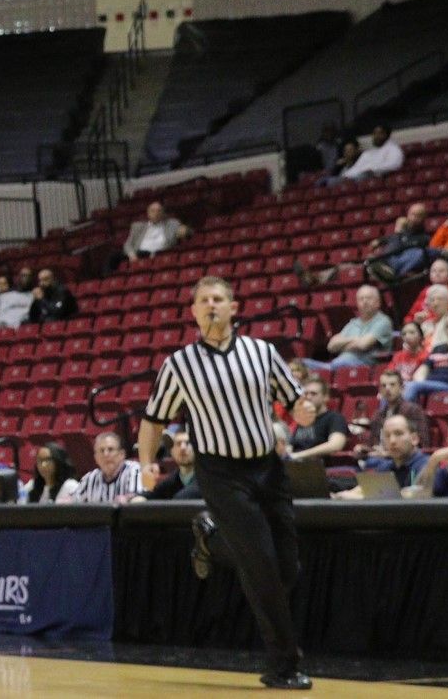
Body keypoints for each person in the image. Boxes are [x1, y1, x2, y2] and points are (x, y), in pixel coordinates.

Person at [139, 276, 311, 690]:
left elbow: (294, 398)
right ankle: (284, 664)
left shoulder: (262, 352)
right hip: (220, 473)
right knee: (263, 565)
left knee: (287, 565)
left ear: (234, 308)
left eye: (219, 298)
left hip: (268, 469)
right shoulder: (179, 364)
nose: (212, 305)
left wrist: (303, 412)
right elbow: (153, 419)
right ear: (194, 312)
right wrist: (146, 462)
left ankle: (211, 539)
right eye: (204, 301)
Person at [303, 285, 394, 373]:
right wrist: (355, 340)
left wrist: (343, 346)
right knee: (301, 364)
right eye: (361, 299)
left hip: (365, 368)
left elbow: (363, 345)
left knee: (339, 364)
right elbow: (331, 346)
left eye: (368, 298)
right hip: (338, 365)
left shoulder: (383, 321)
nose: (365, 301)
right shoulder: (353, 323)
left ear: (378, 302)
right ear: (357, 303)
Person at [338, 414, 428, 497]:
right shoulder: (385, 467)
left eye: (398, 434)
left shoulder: (426, 465)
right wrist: (340, 496)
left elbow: (412, 496)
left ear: (414, 439)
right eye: (387, 435)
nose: (392, 441)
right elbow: (363, 490)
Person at [351, 368, 433, 453]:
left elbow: (422, 445)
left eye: (392, 384)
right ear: (380, 390)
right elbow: (373, 445)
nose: (387, 388)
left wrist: (388, 454)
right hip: (378, 459)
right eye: (384, 385)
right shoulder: (378, 415)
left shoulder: (414, 411)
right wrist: (364, 449)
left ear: (402, 388)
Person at [285, 378, 350, 462]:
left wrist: (299, 455)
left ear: (325, 397)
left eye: (313, 394)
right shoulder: (303, 419)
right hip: (296, 464)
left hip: (319, 466)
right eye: (306, 394)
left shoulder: (334, 417)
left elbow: (336, 444)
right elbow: (290, 446)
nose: (308, 397)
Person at [70, 432, 142, 503]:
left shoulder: (134, 470)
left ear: (122, 454)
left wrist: (127, 499)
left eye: (110, 449)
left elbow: (138, 498)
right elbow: (74, 502)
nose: (106, 454)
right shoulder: (90, 478)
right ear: (96, 458)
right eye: (101, 451)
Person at [136, 428, 203, 501]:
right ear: (171, 452)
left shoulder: (206, 477)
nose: (183, 448)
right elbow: (151, 494)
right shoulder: (173, 479)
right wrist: (137, 499)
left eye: (188, 443)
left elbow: (183, 498)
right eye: (178, 444)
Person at [322, 125, 403, 185]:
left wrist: (372, 170)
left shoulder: (393, 149)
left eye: (379, 133)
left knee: (332, 182)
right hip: (356, 176)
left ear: (386, 135)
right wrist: (346, 176)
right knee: (324, 181)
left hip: (372, 176)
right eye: (374, 134)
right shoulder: (368, 153)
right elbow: (357, 168)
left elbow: (394, 164)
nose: (376, 136)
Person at [120, 201, 188, 265]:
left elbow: (187, 232)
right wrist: (132, 255)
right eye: (153, 211)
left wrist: (185, 230)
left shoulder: (173, 223)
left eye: (159, 211)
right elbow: (127, 244)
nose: (156, 213)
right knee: (114, 257)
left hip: (160, 254)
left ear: (163, 213)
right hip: (138, 254)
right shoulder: (138, 227)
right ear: (148, 213)